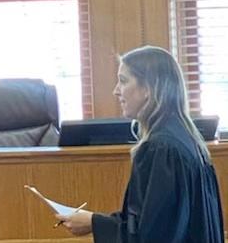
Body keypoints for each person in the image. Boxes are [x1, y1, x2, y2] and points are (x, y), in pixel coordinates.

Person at [56, 45, 224, 243]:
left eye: (123, 81)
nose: (116, 91)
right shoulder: (188, 140)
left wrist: (93, 223)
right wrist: (95, 221)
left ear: (148, 88)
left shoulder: (161, 149)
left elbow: (150, 236)